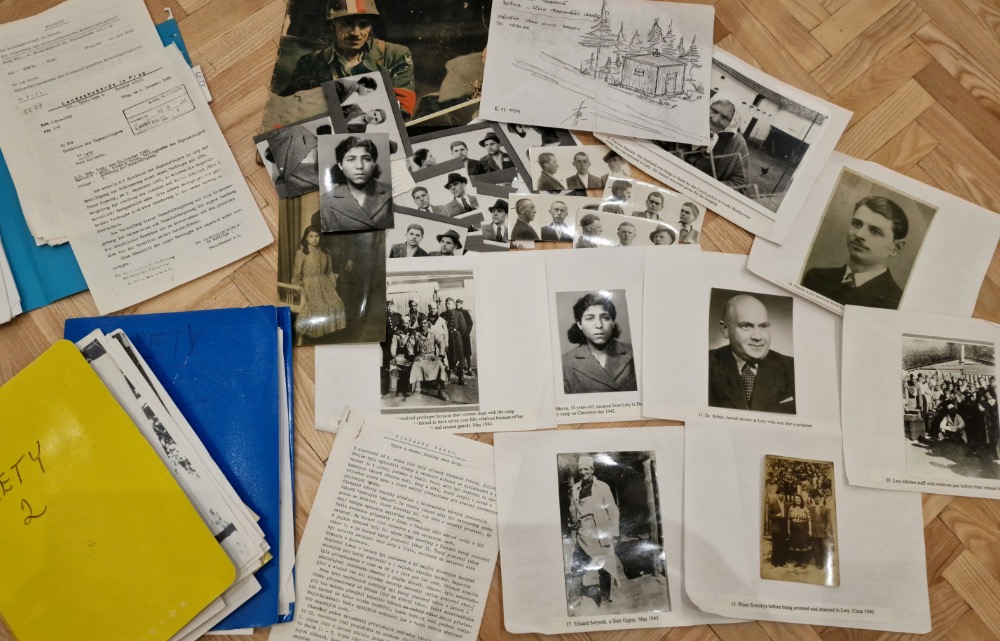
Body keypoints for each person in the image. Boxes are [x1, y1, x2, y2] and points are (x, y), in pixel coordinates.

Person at [279, 0, 416, 119]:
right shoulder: (311, 62)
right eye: (347, 24)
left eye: (363, 25)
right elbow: (287, 108)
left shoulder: (394, 56)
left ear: (371, 26)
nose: (355, 33)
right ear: (332, 25)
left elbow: (402, 111)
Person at [801, 196, 909, 309]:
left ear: (896, 247)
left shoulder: (895, 304)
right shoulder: (815, 277)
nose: (859, 234)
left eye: (875, 231)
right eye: (857, 224)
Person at [708, 294, 796, 414]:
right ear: (725, 329)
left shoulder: (792, 367)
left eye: (763, 326)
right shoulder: (705, 364)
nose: (757, 337)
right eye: (746, 326)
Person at [657, 93, 750, 189]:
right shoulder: (684, 122)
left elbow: (740, 183)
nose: (715, 119)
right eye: (714, 110)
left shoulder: (738, 144)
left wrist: (704, 188)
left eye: (724, 117)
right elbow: (656, 145)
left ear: (733, 121)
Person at [567, 455, 621, 610]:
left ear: (592, 469)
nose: (583, 472)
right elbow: (575, 509)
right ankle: (575, 598)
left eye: (586, 469)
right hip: (583, 533)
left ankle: (604, 599)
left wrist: (614, 533)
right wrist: (574, 522)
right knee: (577, 565)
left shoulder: (602, 487)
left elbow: (613, 511)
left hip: (600, 532)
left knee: (604, 567)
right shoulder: (576, 488)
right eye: (581, 470)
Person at [562, 292, 637, 394]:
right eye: (590, 318)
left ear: (613, 322)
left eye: (605, 318)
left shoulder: (633, 353)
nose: (599, 325)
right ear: (579, 324)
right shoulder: (566, 363)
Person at [322, 135, 392, 231]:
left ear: (374, 164)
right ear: (340, 165)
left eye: (366, 159)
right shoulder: (325, 201)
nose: (359, 166)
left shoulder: (391, 192)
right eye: (351, 159)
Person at [292, 226, 347, 340]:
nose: (314, 239)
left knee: (338, 304)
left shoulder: (326, 252)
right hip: (308, 285)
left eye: (317, 236)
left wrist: (331, 286)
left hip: (325, 284)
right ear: (306, 238)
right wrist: (300, 291)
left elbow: (330, 272)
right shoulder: (302, 253)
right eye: (311, 236)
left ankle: (328, 334)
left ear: (320, 237)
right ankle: (316, 336)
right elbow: (297, 275)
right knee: (319, 307)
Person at [408, 317, 449, 401]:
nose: (422, 325)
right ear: (418, 324)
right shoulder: (415, 334)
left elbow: (441, 342)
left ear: (427, 323)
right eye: (421, 323)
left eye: (424, 323)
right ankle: (416, 391)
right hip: (421, 356)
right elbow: (410, 345)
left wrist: (441, 355)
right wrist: (412, 355)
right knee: (416, 365)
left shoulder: (433, 332)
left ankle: (440, 391)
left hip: (431, 356)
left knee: (439, 365)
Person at [441, 297, 468, 385]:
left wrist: (458, 334)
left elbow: (463, 327)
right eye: (446, 303)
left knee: (460, 357)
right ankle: (447, 378)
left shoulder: (458, 313)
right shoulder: (443, 315)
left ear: (453, 304)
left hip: (456, 338)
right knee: (448, 358)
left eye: (449, 303)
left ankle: (461, 378)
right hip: (447, 338)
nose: (447, 305)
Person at [786, 494, 812, 569]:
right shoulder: (791, 507)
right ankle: (798, 561)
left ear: (801, 500)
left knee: (803, 545)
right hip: (794, 529)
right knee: (796, 545)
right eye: (796, 499)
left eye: (798, 499)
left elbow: (809, 520)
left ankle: (804, 562)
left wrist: (810, 530)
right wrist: (788, 529)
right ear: (794, 500)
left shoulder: (805, 508)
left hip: (803, 528)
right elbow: (788, 519)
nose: (797, 500)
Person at [765, 491, 787, 567]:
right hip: (776, 527)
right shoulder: (773, 503)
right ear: (777, 494)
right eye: (780, 493)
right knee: (775, 546)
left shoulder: (785, 504)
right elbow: (769, 516)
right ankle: (774, 563)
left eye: (783, 494)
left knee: (783, 546)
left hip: (783, 527)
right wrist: (776, 516)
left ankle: (782, 562)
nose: (781, 495)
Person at [456, 299, 475, 378]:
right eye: (456, 305)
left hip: (465, 336)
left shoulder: (465, 312)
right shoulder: (455, 312)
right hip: (458, 336)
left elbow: (470, 323)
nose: (457, 306)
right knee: (460, 353)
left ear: (462, 305)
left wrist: (467, 333)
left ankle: (469, 368)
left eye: (459, 305)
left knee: (467, 352)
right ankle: (462, 369)